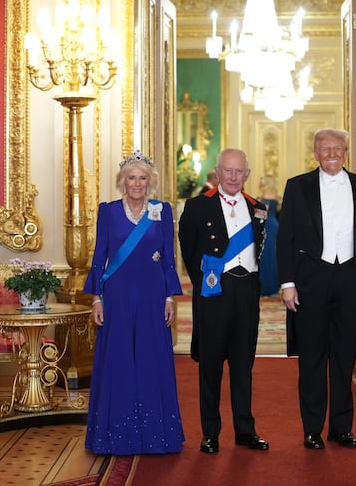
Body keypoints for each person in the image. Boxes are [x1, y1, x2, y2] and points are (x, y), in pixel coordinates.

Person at [276, 128, 356, 450]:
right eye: (325, 148)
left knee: (344, 358)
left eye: (337, 148)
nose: (331, 153)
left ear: (346, 151)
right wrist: (287, 283)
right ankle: (312, 430)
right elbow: (286, 239)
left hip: (352, 280)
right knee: (311, 358)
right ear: (315, 153)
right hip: (311, 280)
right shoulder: (297, 187)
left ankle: (341, 427)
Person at [83, 150, 185, 455]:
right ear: (122, 181)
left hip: (153, 295)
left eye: (142, 178)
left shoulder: (161, 211)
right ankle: (115, 436)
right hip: (117, 295)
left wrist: (169, 297)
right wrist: (96, 299)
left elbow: (169, 257)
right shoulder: (109, 211)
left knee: (151, 359)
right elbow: (100, 257)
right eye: (131, 178)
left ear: (150, 182)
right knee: (118, 360)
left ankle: (157, 436)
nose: (137, 184)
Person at [178, 148, 270, 454]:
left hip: (246, 293)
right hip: (213, 292)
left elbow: (261, 250)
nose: (232, 177)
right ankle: (210, 433)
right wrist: (208, 279)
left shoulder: (258, 208)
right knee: (211, 366)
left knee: (243, 366)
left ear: (247, 174)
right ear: (217, 172)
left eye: (239, 172)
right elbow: (188, 249)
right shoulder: (196, 207)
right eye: (227, 171)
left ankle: (245, 430)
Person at [258, 175, 281, 297]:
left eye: (261, 180)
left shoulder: (266, 196)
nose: (259, 182)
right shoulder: (275, 195)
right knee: (272, 256)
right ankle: (273, 286)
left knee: (266, 256)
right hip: (273, 225)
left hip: (267, 227)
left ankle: (267, 286)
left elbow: (261, 214)